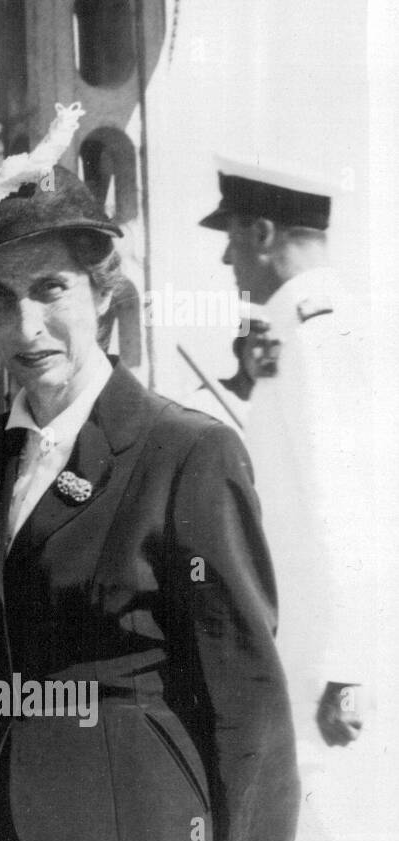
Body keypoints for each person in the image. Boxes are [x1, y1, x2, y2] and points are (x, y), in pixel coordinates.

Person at [0, 106, 298, 841]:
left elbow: (249, 700)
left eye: (51, 288)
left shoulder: (187, 452)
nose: (27, 327)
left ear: (101, 292)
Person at [199, 158, 370, 747]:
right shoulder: (319, 327)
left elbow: (348, 509)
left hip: (324, 669)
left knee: (330, 835)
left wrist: (344, 671)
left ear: (263, 234)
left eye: (231, 238)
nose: (227, 259)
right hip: (312, 648)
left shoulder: (315, 336)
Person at [178, 312, 275, 433]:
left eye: (272, 347)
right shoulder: (206, 398)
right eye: (258, 345)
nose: (266, 356)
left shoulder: (274, 409)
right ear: (238, 349)